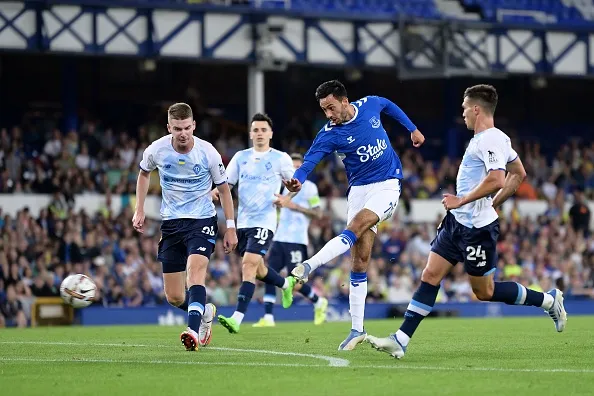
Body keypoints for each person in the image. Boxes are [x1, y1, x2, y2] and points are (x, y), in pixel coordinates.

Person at [366, 84, 567, 359]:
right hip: (456, 223)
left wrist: (463, 201)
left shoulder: (491, 139)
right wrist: (490, 204)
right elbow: (518, 173)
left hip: (477, 230)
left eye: (464, 109)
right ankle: (400, 340)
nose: (462, 115)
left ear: (476, 109)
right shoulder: (490, 139)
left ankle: (547, 300)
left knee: (484, 292)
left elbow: (499, 178)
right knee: (430, 275)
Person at [283, 80, 425, 350]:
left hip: (387, 184)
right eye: (324, 110)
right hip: (358, 190)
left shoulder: (369, 104)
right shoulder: (330, 134)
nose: (328, 114)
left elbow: (387, 104)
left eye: (331, 107)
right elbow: (310, 160)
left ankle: (308, 266)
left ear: (344, 101)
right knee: (359, 260)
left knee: (356, 226)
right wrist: (297, 179)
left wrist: (413, 129)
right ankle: (357, 329)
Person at [132, 102, 238, 351]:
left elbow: (224, 189)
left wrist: (231, 226)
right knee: (175, 296)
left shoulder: (207, 152)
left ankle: (192, 329)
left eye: (187, 128)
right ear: (169, 127)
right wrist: (139, 209)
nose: (182, 133)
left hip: (202, 220)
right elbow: (144, 173)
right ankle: (204, 311)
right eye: (177, 128)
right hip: (171, 224)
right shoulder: (156, 150)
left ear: (194, 126)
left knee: (195, 271)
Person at [216, 113, 298, 334]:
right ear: (251, 133)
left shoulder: (281, 158)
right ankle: (285, 284)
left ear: (271, 133)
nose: (260, 133)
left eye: (264, 130)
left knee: (249, 265)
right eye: (256, 130)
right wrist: (212, 193)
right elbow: (226, 184)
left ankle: (237, 318)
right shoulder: (240, 157)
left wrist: (287, 196)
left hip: (265, 220)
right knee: (259, 269)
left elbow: (294, 185)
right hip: (243, 223)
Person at [252, 153, 328, 328]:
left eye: (297, 168)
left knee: (295, 283)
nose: (294, 171)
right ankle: (268, 317)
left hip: (297, 240)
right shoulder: (282, 186)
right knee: (268, 275)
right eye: (291, 167)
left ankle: (318, 301)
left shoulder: (309, 188)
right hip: (279, 238)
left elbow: (318, 213)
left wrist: (296, 207)